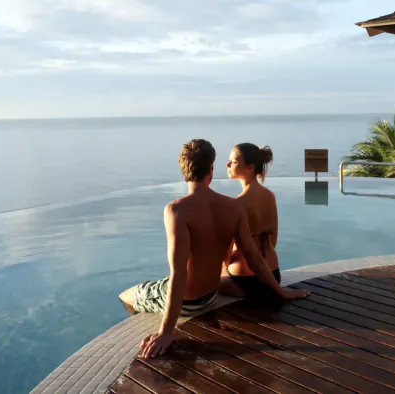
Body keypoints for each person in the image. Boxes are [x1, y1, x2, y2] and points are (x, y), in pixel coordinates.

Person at [118, 139, 309, 359]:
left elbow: (179, 274)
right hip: (212, 296)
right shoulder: (233, 207)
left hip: (189, 303)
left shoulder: (176, 210)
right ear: (211, 168)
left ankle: (143, 339)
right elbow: (254, 257)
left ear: (183, 170)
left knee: (126, 295)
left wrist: (166, 332)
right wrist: (280, 290)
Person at [220, 143, 282, 299]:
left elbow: (225, 252)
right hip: (273, 275)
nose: (227, 165)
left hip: (244, 280)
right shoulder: (270, 196)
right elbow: (273, 240)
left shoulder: (236, 204)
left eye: (233, 162)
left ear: (250, 167)